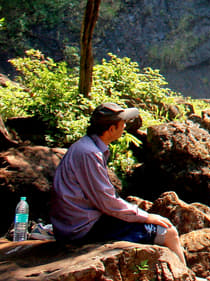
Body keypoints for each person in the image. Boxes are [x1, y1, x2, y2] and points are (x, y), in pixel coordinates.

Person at [50, 102, 186, 268]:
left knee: (146, 222)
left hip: (74, 222)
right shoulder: (89, 154)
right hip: (82, 229)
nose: (125, 126)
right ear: (111, 129)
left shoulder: (86, 146)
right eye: (123, 123)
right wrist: (147, 217)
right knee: (168, 232)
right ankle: (187, 276)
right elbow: (107, 201)